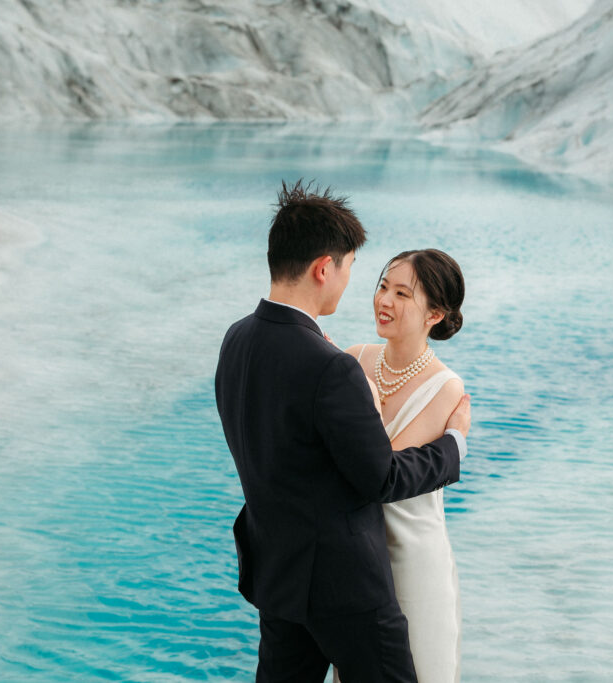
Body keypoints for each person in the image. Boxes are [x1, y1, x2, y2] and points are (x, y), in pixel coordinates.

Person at [214, 180, 472, 682]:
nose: (360, 286)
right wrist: (453, 447)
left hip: (280, 576)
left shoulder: (237, 339)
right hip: (345, 586)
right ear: (323, 268)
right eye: (356, 270)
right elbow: (378, 478)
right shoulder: (333, 366)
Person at [343, 249, 467, 683]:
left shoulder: (446, 386)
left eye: (401, 294)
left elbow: (380, 471)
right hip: (357, 559)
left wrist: (370, 403)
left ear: (434, 313)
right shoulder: (354, 360)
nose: (384, 301)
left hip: (414, 561)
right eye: (382, 287)